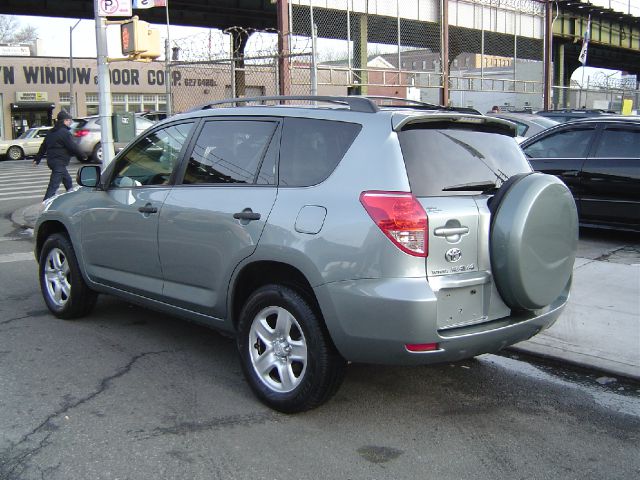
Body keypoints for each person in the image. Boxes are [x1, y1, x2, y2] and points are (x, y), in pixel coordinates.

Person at [33, 110, 86, 201]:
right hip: (59, 162)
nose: (70, 122)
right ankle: (45, 204)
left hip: (52, 161)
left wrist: (37, 159)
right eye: (69, 120)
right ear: (65, 121)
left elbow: (43, 146)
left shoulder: (51, 132)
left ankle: (72, 197)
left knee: (67, 180)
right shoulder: (64, 132)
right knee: (53, 186)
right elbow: (72, 146)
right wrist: (83, 155)